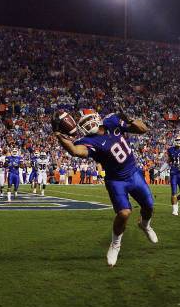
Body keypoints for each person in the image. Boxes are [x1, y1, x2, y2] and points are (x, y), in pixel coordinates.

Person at [54, 109, 158, 267]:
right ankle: (115, 244)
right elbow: (76, 151)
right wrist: (59, 137)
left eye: (88, 120)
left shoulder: (112, 122)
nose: (87, 126)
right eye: (83, 124)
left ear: (97, 118)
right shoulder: (88, 140)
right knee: (124, 213)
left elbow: (143, 129)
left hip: (133, 173)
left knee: (149, 206)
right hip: (116, 180)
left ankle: (145, 225)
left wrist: (129, 119)